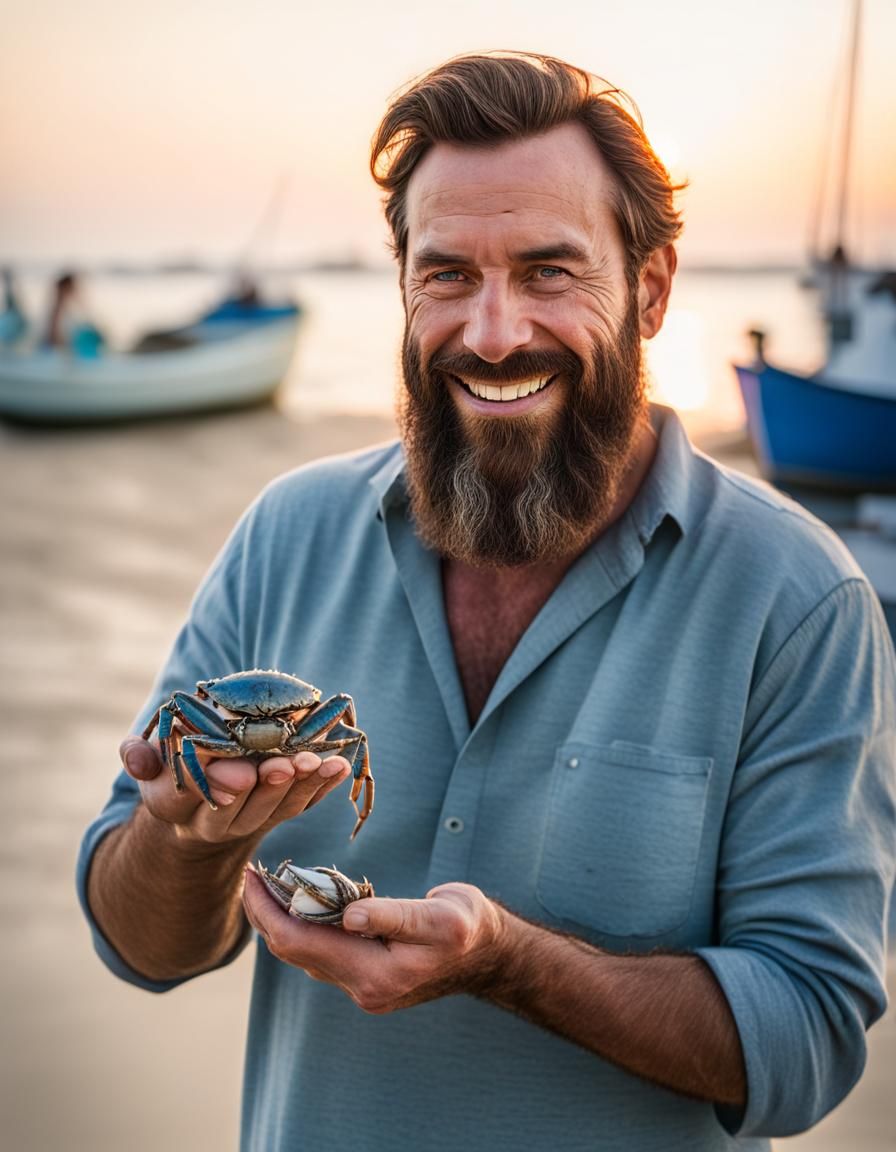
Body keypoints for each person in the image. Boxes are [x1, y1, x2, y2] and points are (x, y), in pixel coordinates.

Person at [78, 52, 896, 1151]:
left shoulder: (796, 598)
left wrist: (509, 965)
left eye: (549, 271)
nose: (493, 332)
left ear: (649, 289)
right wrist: (187, 842)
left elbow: (804, 1044)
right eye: (447, 273)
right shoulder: (288, 534)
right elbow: (141, 945)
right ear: (402, 280)